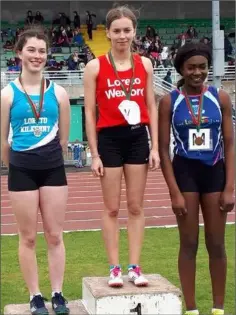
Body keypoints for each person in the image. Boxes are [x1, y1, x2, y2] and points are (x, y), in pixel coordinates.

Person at [84, 5, 159, 288]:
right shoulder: (95, 66)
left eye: (127, 30)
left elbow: (150, 104)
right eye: (117, 31)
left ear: (134, 32)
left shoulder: (145, 64)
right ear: (108, 32)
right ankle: (114, 267)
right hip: (109, 140)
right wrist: (94, 153)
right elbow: (90, 112)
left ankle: (135, 267)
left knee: (136, 206)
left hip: (138, 137)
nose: (122, 36)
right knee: (112, 208)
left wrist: (153, 147)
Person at [158, 42, 235, 315]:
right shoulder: (170, 101)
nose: (197, 72)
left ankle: (218, 308)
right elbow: (163, 152)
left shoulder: (220, 98)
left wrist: (230, 187)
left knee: (216, 243)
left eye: (202, 67)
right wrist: (174, 192)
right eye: (191, 67)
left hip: (215, 173)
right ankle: (190, 309)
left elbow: (229, 143)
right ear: (181, 69)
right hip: (185, 174)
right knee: (188, 243)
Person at [1, 28, 71, 315]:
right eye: (31, 50)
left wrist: (49, 158)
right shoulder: (7, 95)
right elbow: (1, 141)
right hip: (22, 172)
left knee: (55, 235)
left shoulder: (60, 93)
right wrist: (16, 165)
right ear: (19, 53)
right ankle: (35, 296)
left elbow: (64, 140)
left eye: (42, 51)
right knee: (27, 237)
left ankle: (57, 293)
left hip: (53, 170)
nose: (37, 56)